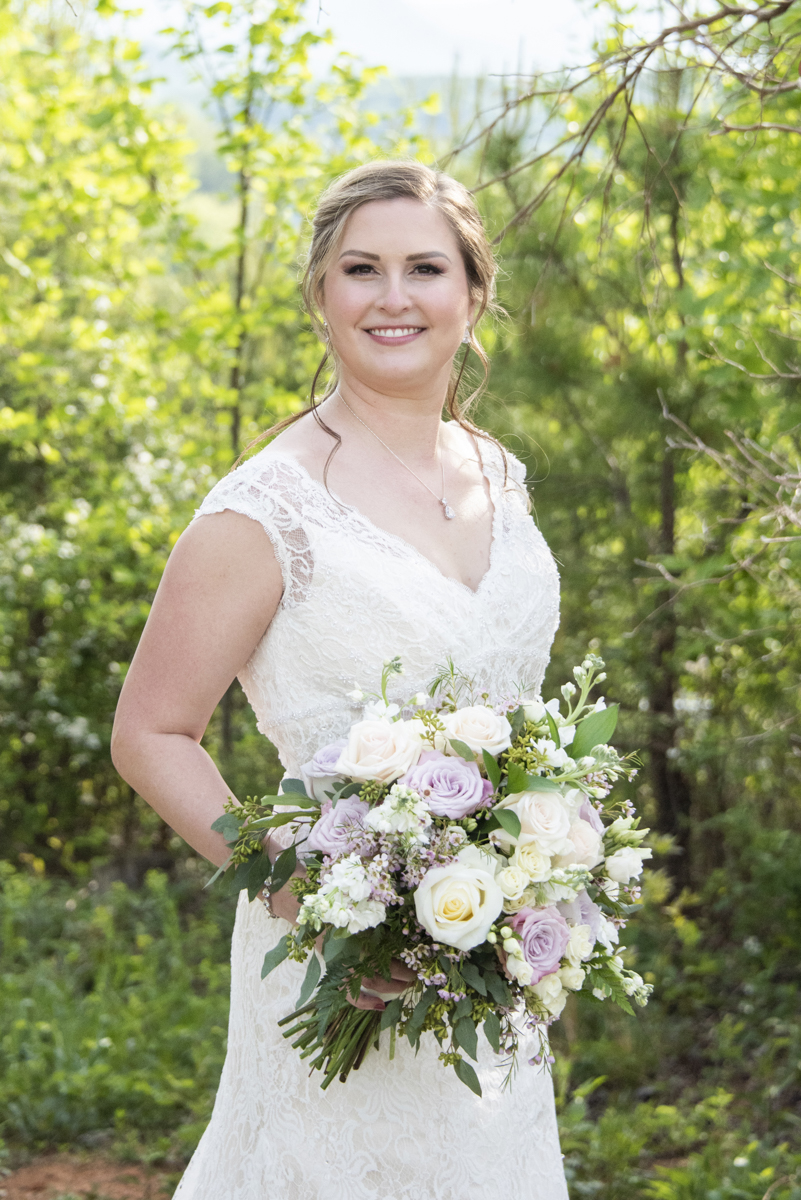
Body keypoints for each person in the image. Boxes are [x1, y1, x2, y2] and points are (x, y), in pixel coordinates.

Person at [111, 160, 568, 1200]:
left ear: (474, 292)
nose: (393, 297)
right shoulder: (263, 508)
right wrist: (314, 905)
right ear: (321, 295)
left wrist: (542, 894)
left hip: (489, 972)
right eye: (362, 269)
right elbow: (150, 734)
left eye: (425, 268)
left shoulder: (500, 472)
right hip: (330, 963)